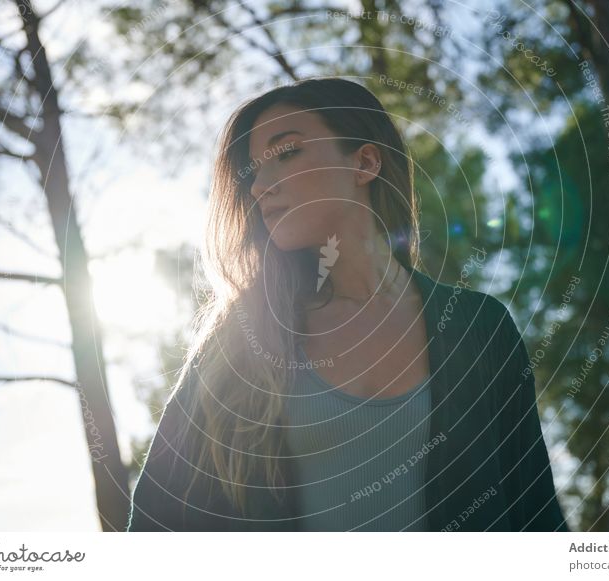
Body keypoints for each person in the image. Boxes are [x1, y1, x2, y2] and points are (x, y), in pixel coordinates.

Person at [127, 77, 568, 532]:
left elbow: (534, 510)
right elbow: (155, 524)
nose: (260, 186)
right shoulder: (239, 343)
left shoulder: (482, 327)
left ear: (365, 163)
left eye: (286, 153)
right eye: (254, 171)